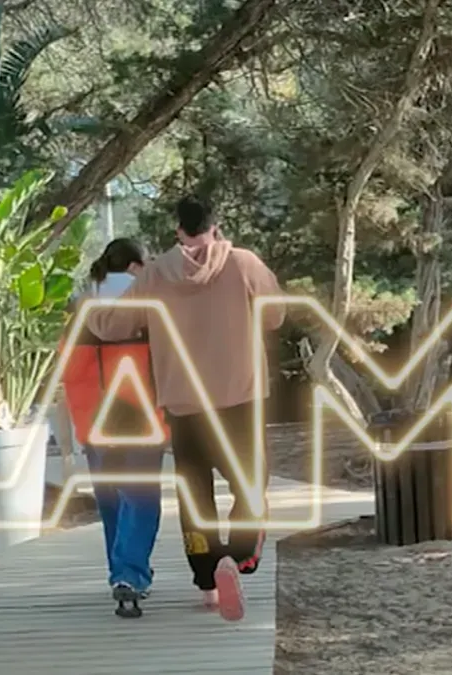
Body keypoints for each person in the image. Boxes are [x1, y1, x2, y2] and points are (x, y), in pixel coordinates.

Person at [86, 196, 285, 622]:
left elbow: (111, 325)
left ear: (178, 230)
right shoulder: (244, 264)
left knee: (196, 495)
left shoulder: (156, 273)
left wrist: (91, 308)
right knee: (250, 485)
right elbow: (276, 317)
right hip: (240, 398)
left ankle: (208, 582)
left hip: (183, 403)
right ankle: (240, 556)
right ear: (216, 226)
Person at [60, 238, 168, 619]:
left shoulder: (82, 308)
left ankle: (121, 573)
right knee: (141, 498)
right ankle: (130, 574)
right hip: (142, 419)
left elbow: (69, 372)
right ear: (136, 266)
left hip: (96, 422)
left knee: (111, 501)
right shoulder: (151, 307)